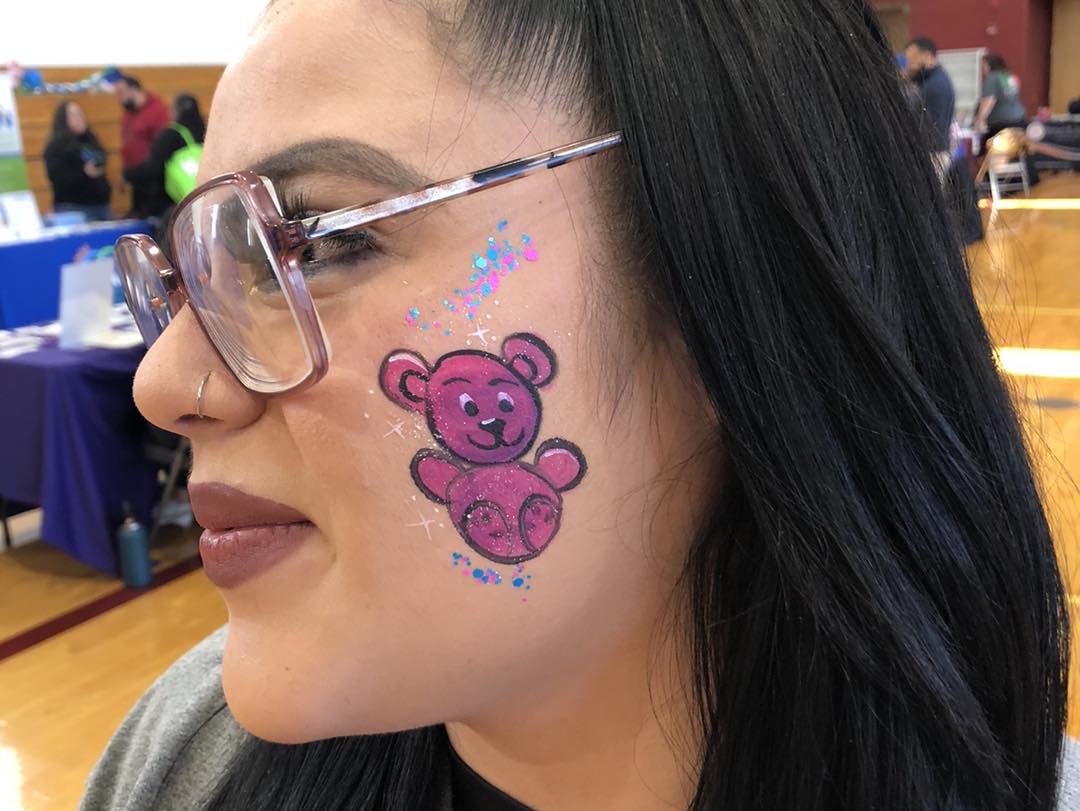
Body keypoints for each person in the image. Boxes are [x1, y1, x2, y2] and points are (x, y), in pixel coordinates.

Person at [89, 1, 1076, 809]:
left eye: (314, 241)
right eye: (196, 271)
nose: (165, 382)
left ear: (728, 282)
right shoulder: (180, 761)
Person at [123, 94, 206, 222]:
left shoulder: (170, 135)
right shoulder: (207, 131)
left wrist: (128, 175)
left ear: (175, 111)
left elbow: (152, 168)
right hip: (205, 197)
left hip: (171, 205)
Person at [42, 101, 111, 222]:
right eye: (73, 115)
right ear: (63, 120)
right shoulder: (56, 146)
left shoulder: (90, 140)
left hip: (101, 205)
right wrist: (84, 173)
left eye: (80, 113)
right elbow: (56, 178)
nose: (79, 118)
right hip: (73, 207)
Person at [115, 73, 170, 217]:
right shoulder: (128, 115)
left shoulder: (158, 111)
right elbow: (127, 146)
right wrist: (124, 173)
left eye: (121, 92)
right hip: (135, 179)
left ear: (134, 89)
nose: (119, 98)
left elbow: (161, 147)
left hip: (152, 179)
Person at [904, 36, 955, 177]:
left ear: (927, 56)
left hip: (931, 154)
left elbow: (928, 124)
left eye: (912, 59)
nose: (909, 65)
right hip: (933, 151)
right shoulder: (933, 80)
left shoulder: (934, 85)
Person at [976, 54, 1028, 151]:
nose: (983, 69)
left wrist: (979, 121)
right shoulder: (1010, 76)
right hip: (1020, 120)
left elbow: (988, 101)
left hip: (1001, 123)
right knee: (1014, 152)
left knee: (986, 150)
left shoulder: (992, 77)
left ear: (990, 65)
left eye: (984, 66)